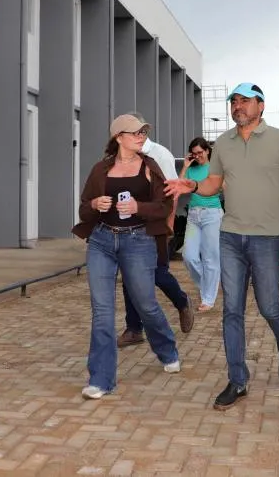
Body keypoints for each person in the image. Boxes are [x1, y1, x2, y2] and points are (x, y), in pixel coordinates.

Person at [166, 82, 279, 411]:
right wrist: (192, 184)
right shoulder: (223, 143)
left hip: (268, 237)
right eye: (233, 101)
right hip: (231, 236)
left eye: (244, 100)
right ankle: (237, 379)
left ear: (261, 105)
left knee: (269, 306)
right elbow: (213, 183)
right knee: (232, 310)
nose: (237, 105)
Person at [72, 114, 181, 400]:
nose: (141, 137)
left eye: (143, 132)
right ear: (118, 137)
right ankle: (100, 380)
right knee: (102, 311)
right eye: (135, 133)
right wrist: (95, 204)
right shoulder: (100, 169)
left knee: (145, 304)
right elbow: (83, 209)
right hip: (101, 241)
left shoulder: (150, 167)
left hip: (138, 242)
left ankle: (167, 348)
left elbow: (164, 206)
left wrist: (138, 208)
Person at [116, 113, 195, 348]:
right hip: (129, 227)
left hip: (155, 226)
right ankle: (134, 328)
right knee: (128, 277)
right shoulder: (120, 157)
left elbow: (173, 193)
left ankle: (182, 302)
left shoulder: (160, 155)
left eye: (138, 130)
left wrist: (168, 226)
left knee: (158, 273)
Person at [180, 137, 222, 312]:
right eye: (194, 153)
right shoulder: (192, 169)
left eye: (200, 152)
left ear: (207, 151)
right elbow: (180, 185)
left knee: (211, 258)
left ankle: (208, 298)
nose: (197, 156)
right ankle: (207, 285)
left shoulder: (215, 168)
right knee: (188, 256)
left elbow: (222, 187)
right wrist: (185, 166)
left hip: (212, 215)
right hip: (193, 216)